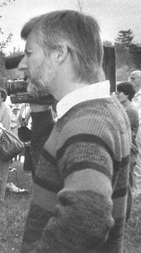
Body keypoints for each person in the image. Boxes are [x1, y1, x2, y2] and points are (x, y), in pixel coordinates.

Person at [17, 10, 130, 252]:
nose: (21, 65)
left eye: (29, 53)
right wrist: (39, 113)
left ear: (59, 53)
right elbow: (55, 165)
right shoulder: (99, 109)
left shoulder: (87, 123)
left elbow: (88, 217)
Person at [113, 82, 138, 221]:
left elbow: (120, 129)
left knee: (126, 186)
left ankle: (125, 218)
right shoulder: (123, 108)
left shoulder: (131, 111)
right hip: (121, 149)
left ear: (127, 94)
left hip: (128, 151)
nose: (117, 94)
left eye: (119, 92)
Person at [128, 70, 141, 197]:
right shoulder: (131, 95)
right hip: (133, 129)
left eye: (133, 79)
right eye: (129, 78)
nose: (130, 81)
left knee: (138, 158)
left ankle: (137, 189)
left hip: (139, 129)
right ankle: (135, 188)